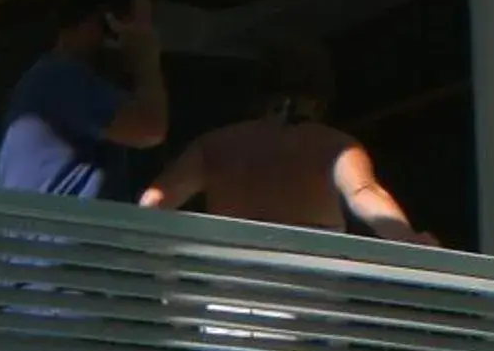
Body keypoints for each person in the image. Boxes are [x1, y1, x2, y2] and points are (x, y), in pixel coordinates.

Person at [139, 40, 434, 242]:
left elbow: (154, 202)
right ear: (321, 95)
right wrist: (409, 238)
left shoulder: (214, 146)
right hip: (304, 303)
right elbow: (363, 192)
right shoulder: (334, 146)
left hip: (229, 303)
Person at [0, 0, 169, 199]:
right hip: (49, 232)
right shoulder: (60, 77)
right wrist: (146, 57)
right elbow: (150, 128)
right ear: (104, 23)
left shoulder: (55, 77)